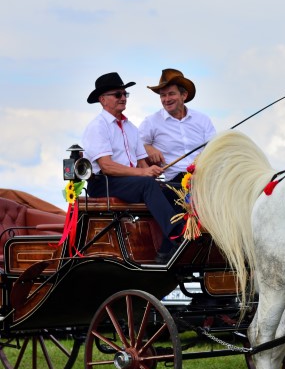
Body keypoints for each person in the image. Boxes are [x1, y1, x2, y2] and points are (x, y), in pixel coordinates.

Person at [81, 72, 182, 264]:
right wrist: (144, 174)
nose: (123, 98)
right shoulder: (97, 126)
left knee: (174, 190)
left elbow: (142, 163)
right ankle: (177, 234)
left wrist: (151, 173)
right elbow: (106, 166)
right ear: (103, 100)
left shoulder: (131, 128)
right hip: (104, 183)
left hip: (129, 182)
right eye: (117, 94)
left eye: (124, 94)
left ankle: (167, 249)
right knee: (147, 184)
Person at [138, 68, 216, 185]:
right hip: (174, 182)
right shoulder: (151, 121)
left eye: (171, 94)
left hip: (204, 178)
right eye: (163, 95)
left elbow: (214, 148)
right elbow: (134, 145)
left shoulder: (203, 119)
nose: (167, 99)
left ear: (184, 95)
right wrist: (148, 148)